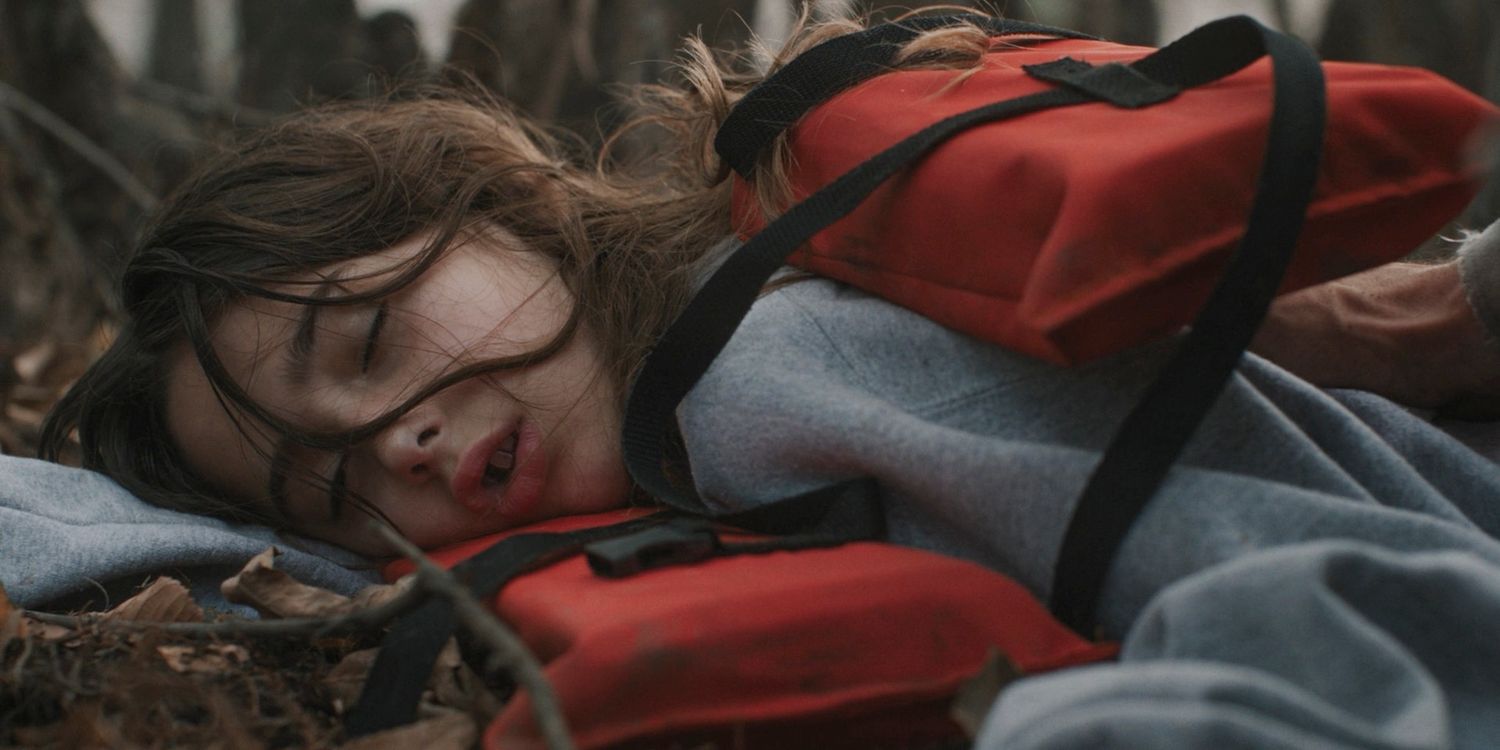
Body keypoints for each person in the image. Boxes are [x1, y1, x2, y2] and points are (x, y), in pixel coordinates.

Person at [34, 10, 1500, 748]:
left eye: (363, 341)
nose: (395, 439)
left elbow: (1353, 597)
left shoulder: (775, 365)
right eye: (326, 483)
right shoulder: (678, 420)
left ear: (485, 205)